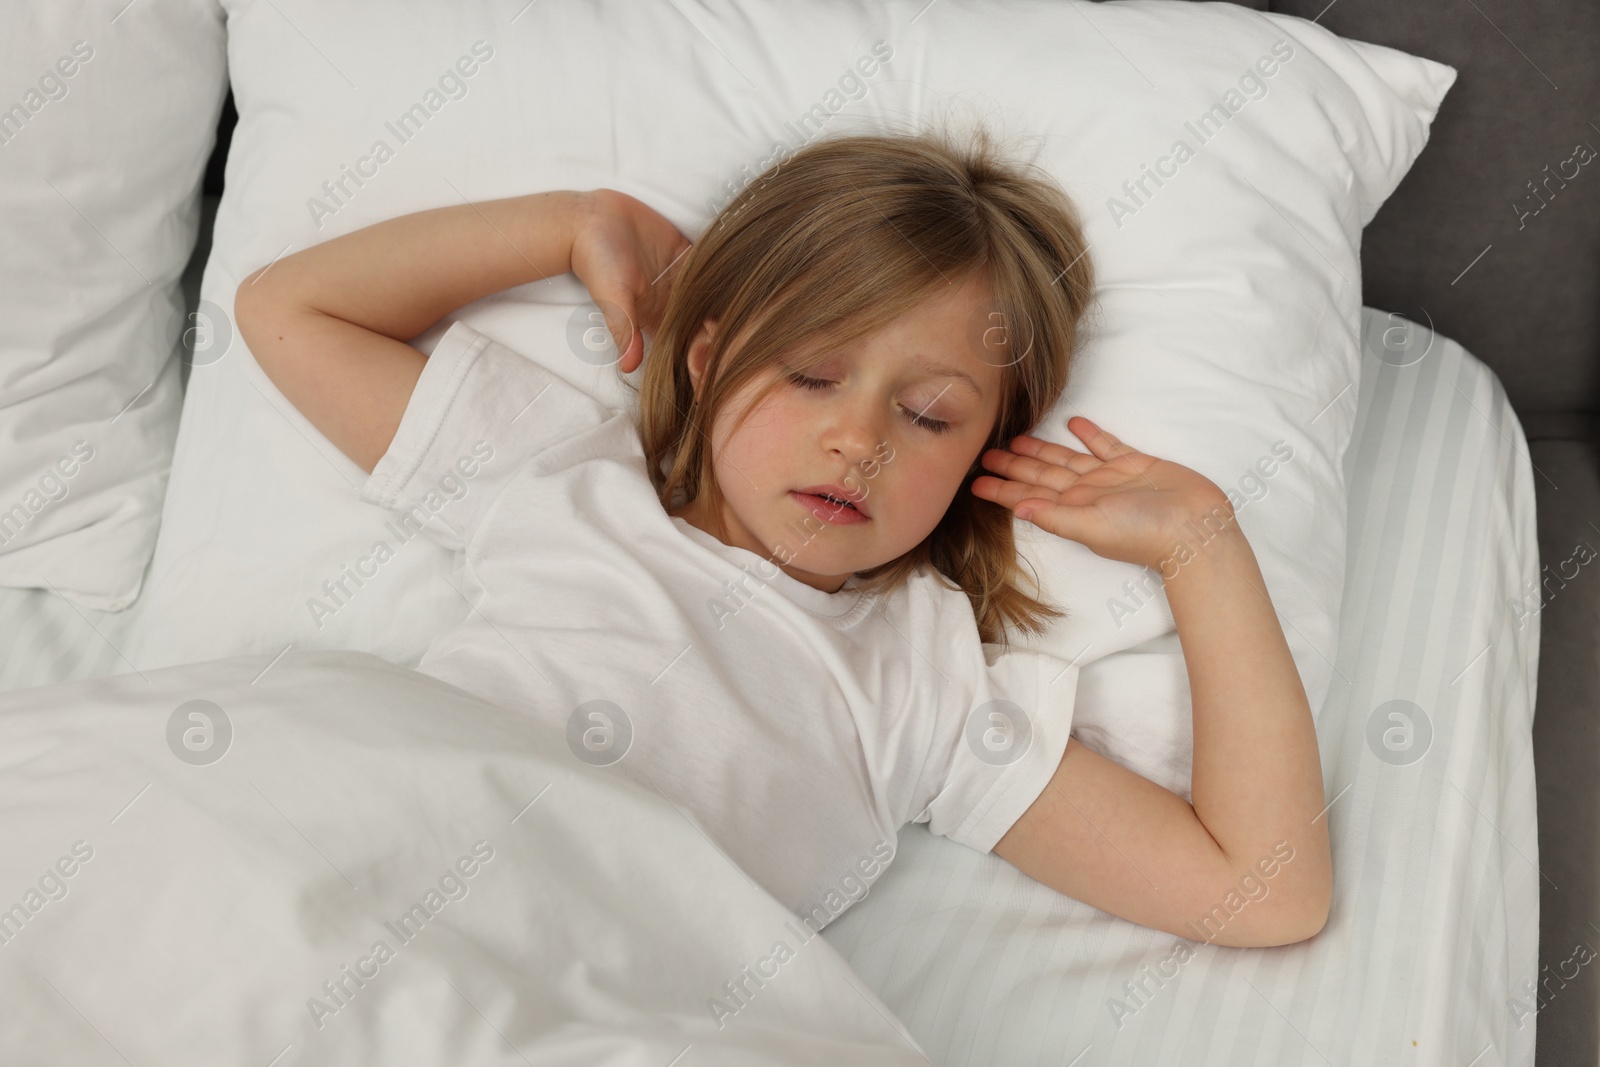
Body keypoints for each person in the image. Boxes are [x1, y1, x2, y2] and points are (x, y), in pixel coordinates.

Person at [235, 123, 1331, 945]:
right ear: (706, 360)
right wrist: (571, 220)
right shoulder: (563, 475)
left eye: (928, 414)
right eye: (811, 374)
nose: (857, 439)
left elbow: (1264, 889)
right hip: (367, 860)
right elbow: (288, 309)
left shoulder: (927, 687)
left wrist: (1202, 544)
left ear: (983, 456)